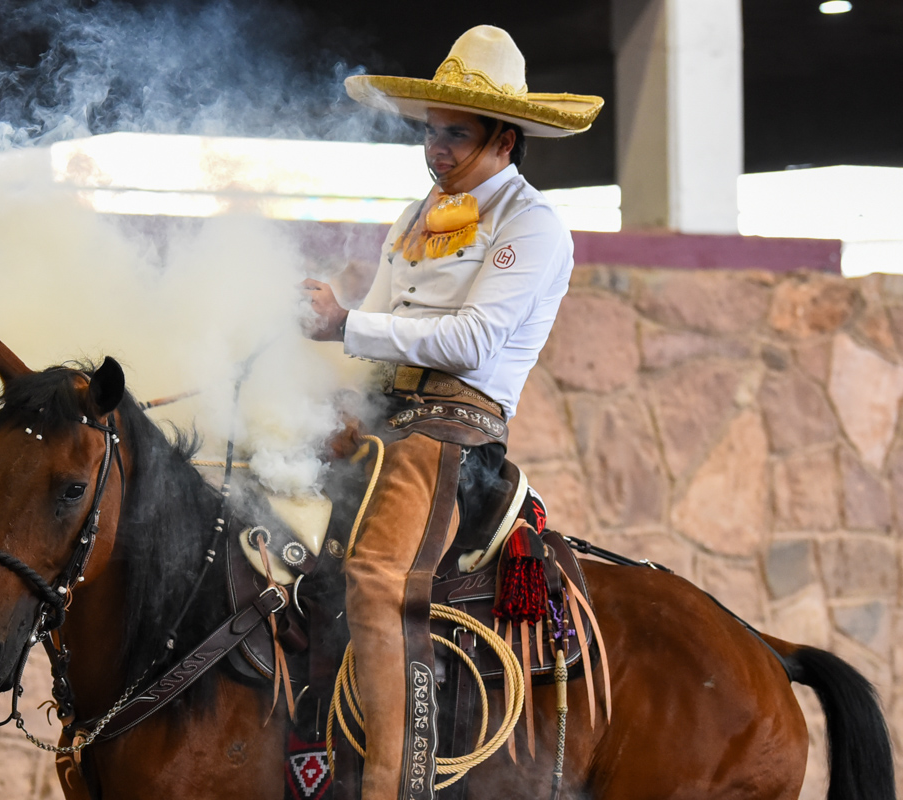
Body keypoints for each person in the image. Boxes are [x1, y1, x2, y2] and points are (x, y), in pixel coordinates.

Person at [303, 25, 602, 800]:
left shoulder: (531, 226)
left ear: (503, 138)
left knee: (375, 577)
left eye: (454, 136)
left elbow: (470, 345)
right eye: (432, 134)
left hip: (451, 430)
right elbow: (374, 319)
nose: (436, 150)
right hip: (388, 417)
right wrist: (337, 373)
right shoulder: (415, 215)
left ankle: (394, 787)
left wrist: (346, 326)